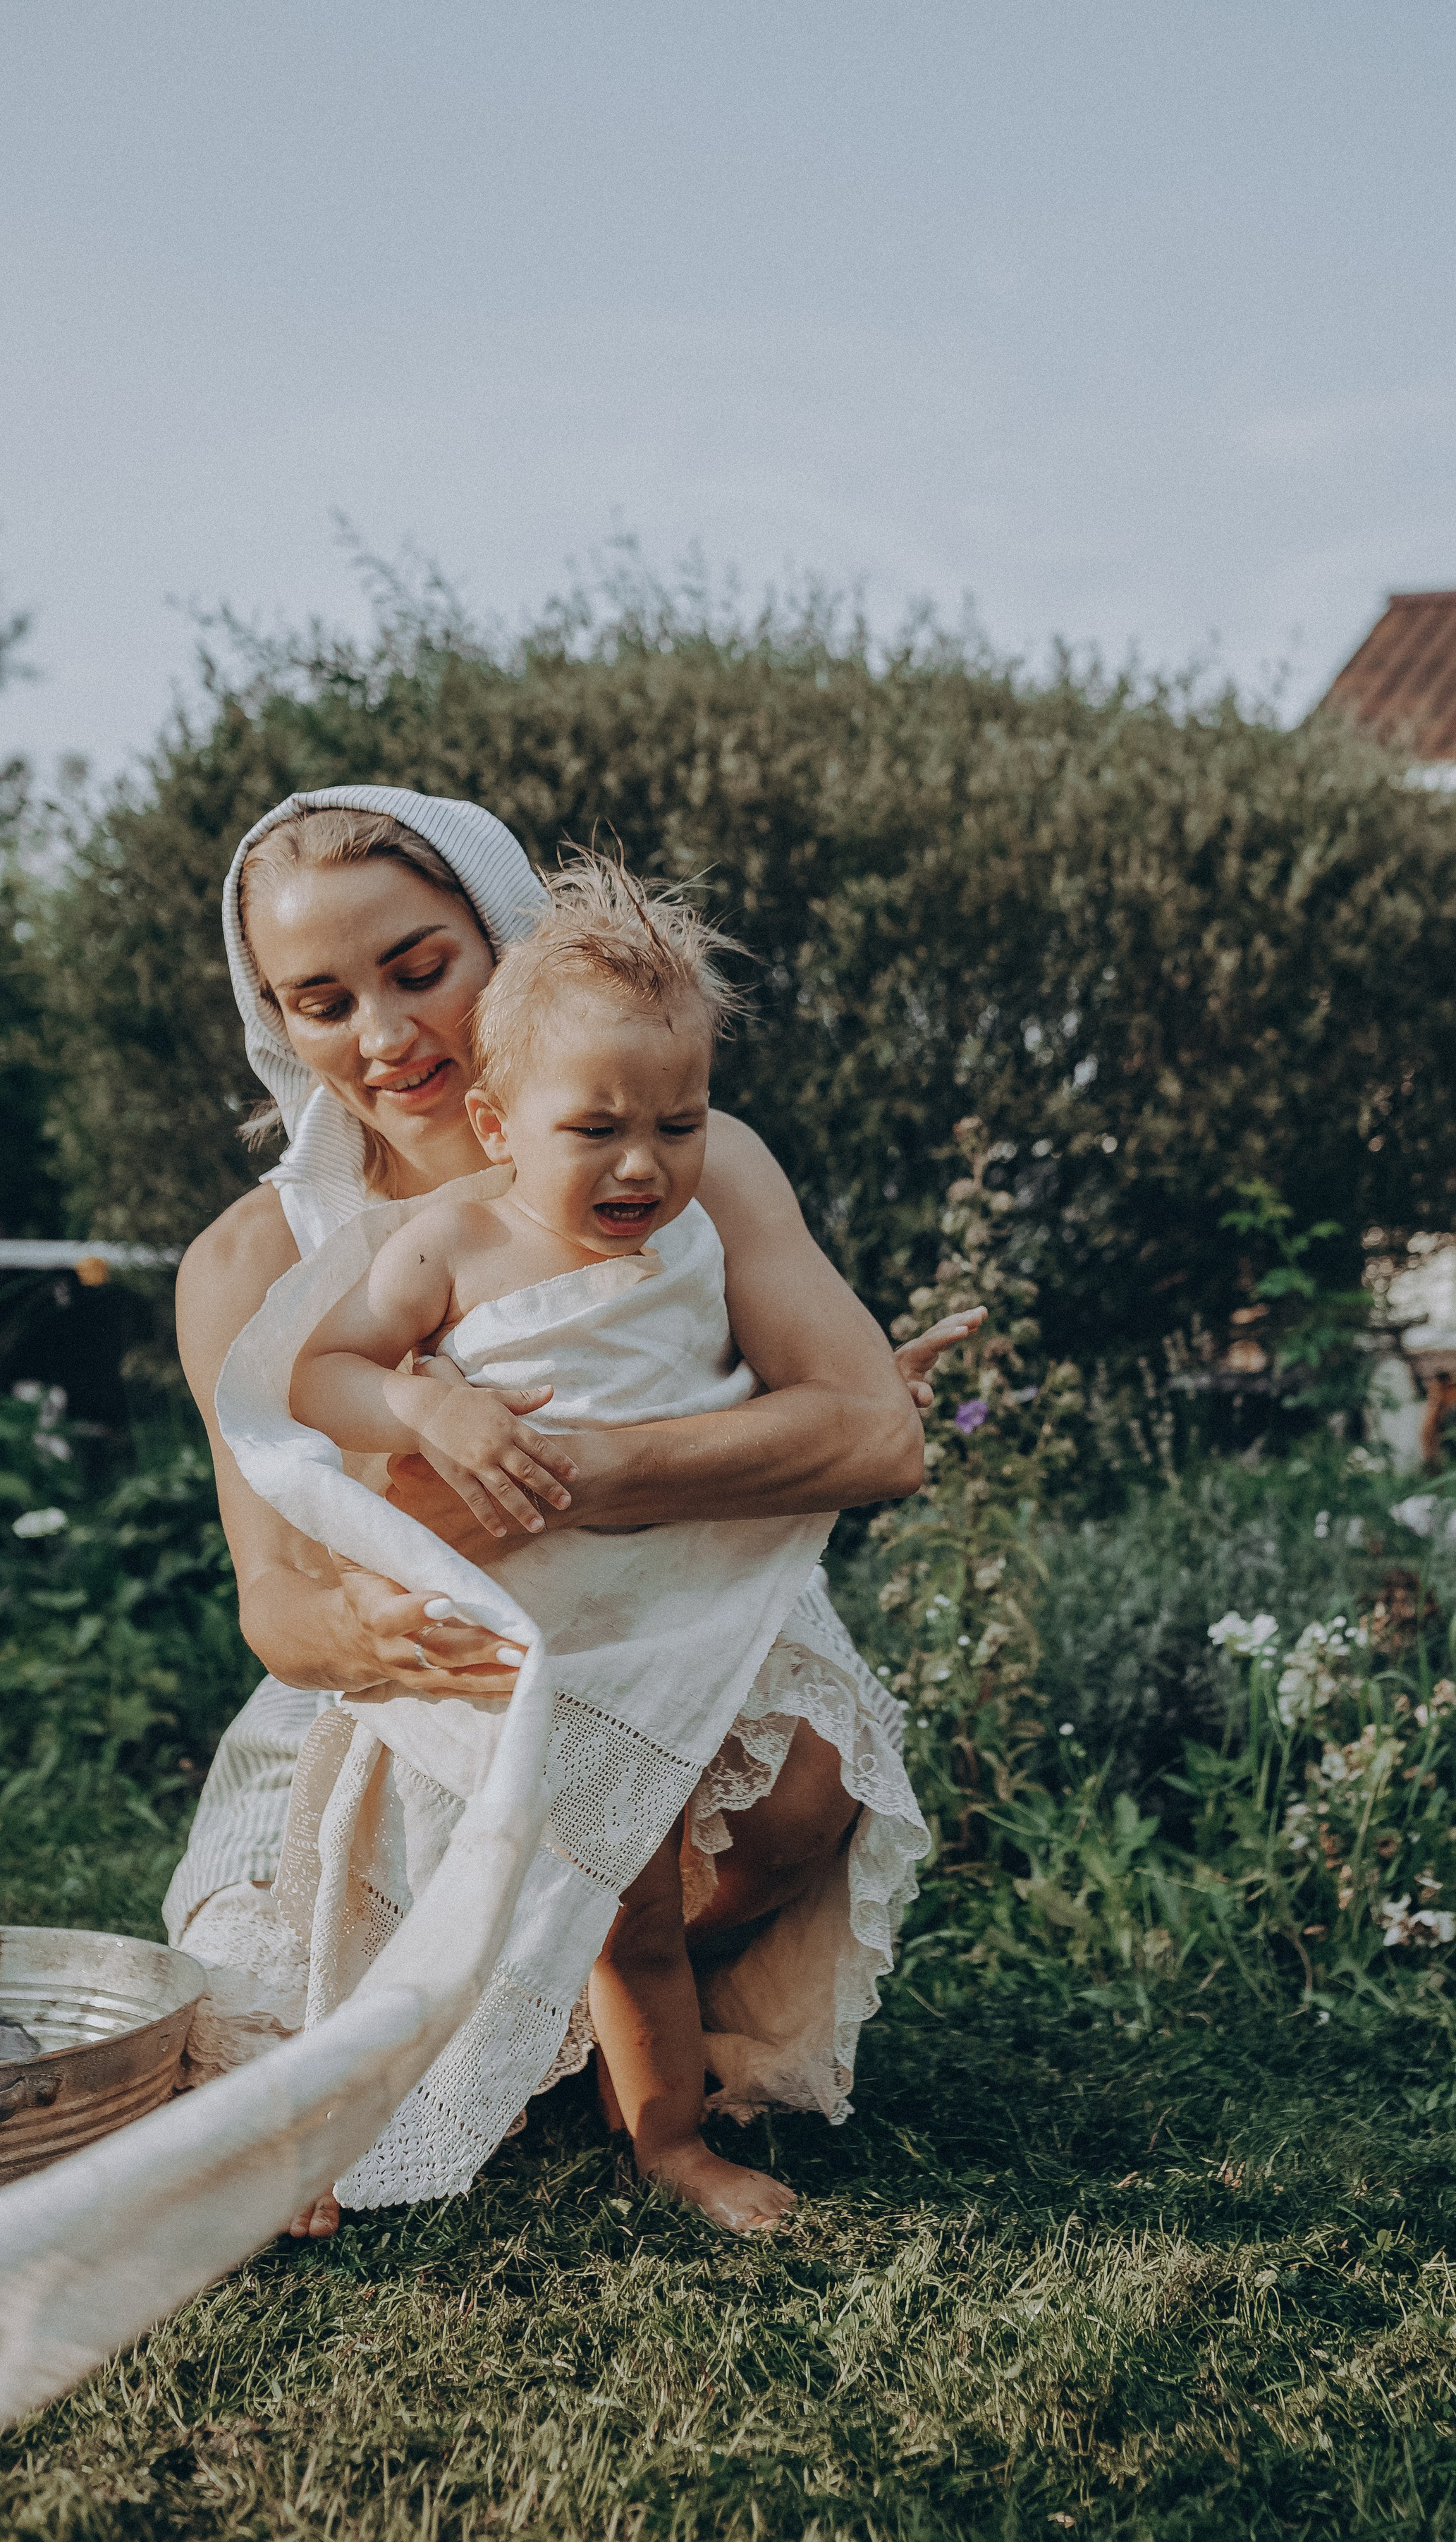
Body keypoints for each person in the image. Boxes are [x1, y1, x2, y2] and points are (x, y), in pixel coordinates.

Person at [164, 785, 978, 2235]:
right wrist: (383, 1611)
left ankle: (597, 2019)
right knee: (269, 1997)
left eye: (421, 970)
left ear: (509, 941)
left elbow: (868, 1435)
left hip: (652, 1622)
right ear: (276, 1019)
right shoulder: (250, 1263)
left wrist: (591, 1473)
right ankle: (527, 2020)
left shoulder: (672, 1161)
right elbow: (278, 1609)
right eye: (322, 999)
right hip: (414, 1685)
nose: (386, 1035)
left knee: (783, 1777)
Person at [283, 851, 848, 2225]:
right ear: (496, 1124)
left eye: (679, 1121)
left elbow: (813, 1406)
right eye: (597, 1129)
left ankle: (666, 2142)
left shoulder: (698, 1230)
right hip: (505, 1644)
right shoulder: (453, 1247)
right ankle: (326, 2135)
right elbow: (320, 1375)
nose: (643, 1164)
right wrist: (426, 1397)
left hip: (647, 1628)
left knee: (633, 1907)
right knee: (447, 1905)